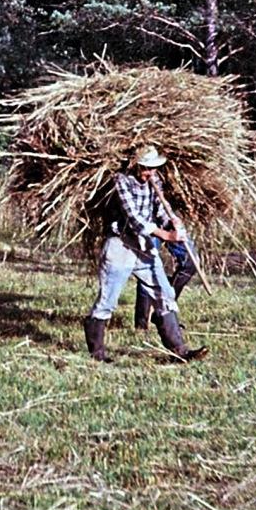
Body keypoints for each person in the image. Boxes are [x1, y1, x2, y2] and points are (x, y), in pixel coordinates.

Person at [82, 145, 207, 363]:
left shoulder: (154, 180)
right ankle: (97, 354)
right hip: (120, 246)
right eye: (146, 168)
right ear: (135, 165)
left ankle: (179, 352)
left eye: (153, 168)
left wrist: (172, 222)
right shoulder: (121, 181)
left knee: (164, 294)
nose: (150, 173)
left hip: (143, 247)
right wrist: (166, 236)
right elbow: (135, 219)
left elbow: (160, 208)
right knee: (107, 301)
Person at [133, 193, 199, 330]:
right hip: (144, 224)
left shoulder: (158, 182)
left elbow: (161, 201)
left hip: (163, 222)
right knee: (147, 270)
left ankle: (163, 311)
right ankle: (142, 325)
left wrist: (171, 221)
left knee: (190, 262)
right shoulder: (130, 183)